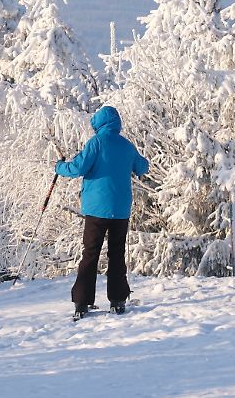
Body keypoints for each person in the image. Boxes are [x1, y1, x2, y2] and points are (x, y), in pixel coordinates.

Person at [55, 105, 149, 321]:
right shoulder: (127, 146)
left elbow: (77, 168)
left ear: (98, 123)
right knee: (117, 254)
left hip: (96, 210)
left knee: (90, 253)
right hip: (120, 210)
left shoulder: (96, 143)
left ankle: (81, 302)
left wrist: (59, 167)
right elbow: (143, 167)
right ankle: (117, 301)